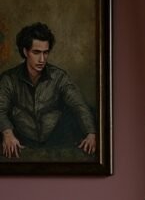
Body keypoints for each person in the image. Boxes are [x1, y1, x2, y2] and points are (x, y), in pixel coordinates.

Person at [0, 22, 97, 158]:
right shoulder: (8, 79)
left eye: (46, 53)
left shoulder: (59, 77)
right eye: (36, 52)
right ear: (25, 52)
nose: (42, 59)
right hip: (21, 143)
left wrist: (91, 133)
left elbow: (79, 105)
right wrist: (7, 133)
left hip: (55, 141)